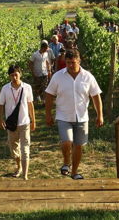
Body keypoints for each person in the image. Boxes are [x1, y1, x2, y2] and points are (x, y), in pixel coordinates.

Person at [45, 49, 103, 180]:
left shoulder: (88, 77)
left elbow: (96, 96)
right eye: (68, 62)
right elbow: (49, 95)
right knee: (67, 142)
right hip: (63, 116)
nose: (70, 65)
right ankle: (66, 162)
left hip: (82, 117)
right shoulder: (58, 76)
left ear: (79, 61)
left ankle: (74, 172)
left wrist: (100, 115)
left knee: (78, 146)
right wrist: (48, 114)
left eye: (73, 62)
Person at [0, 65, 35, 180]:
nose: (14, 77)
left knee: (25, 149)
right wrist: (1, 119)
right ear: (9, 76)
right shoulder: (5, 89)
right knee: (13, 148)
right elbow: (0, 104)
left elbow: (30, 104)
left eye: (16, 74)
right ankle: (19, 166)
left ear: (20, 74)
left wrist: (33, 120)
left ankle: (25, 175)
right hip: (11, 124)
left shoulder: (27, 87)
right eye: (12, 75)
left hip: (24, 123)